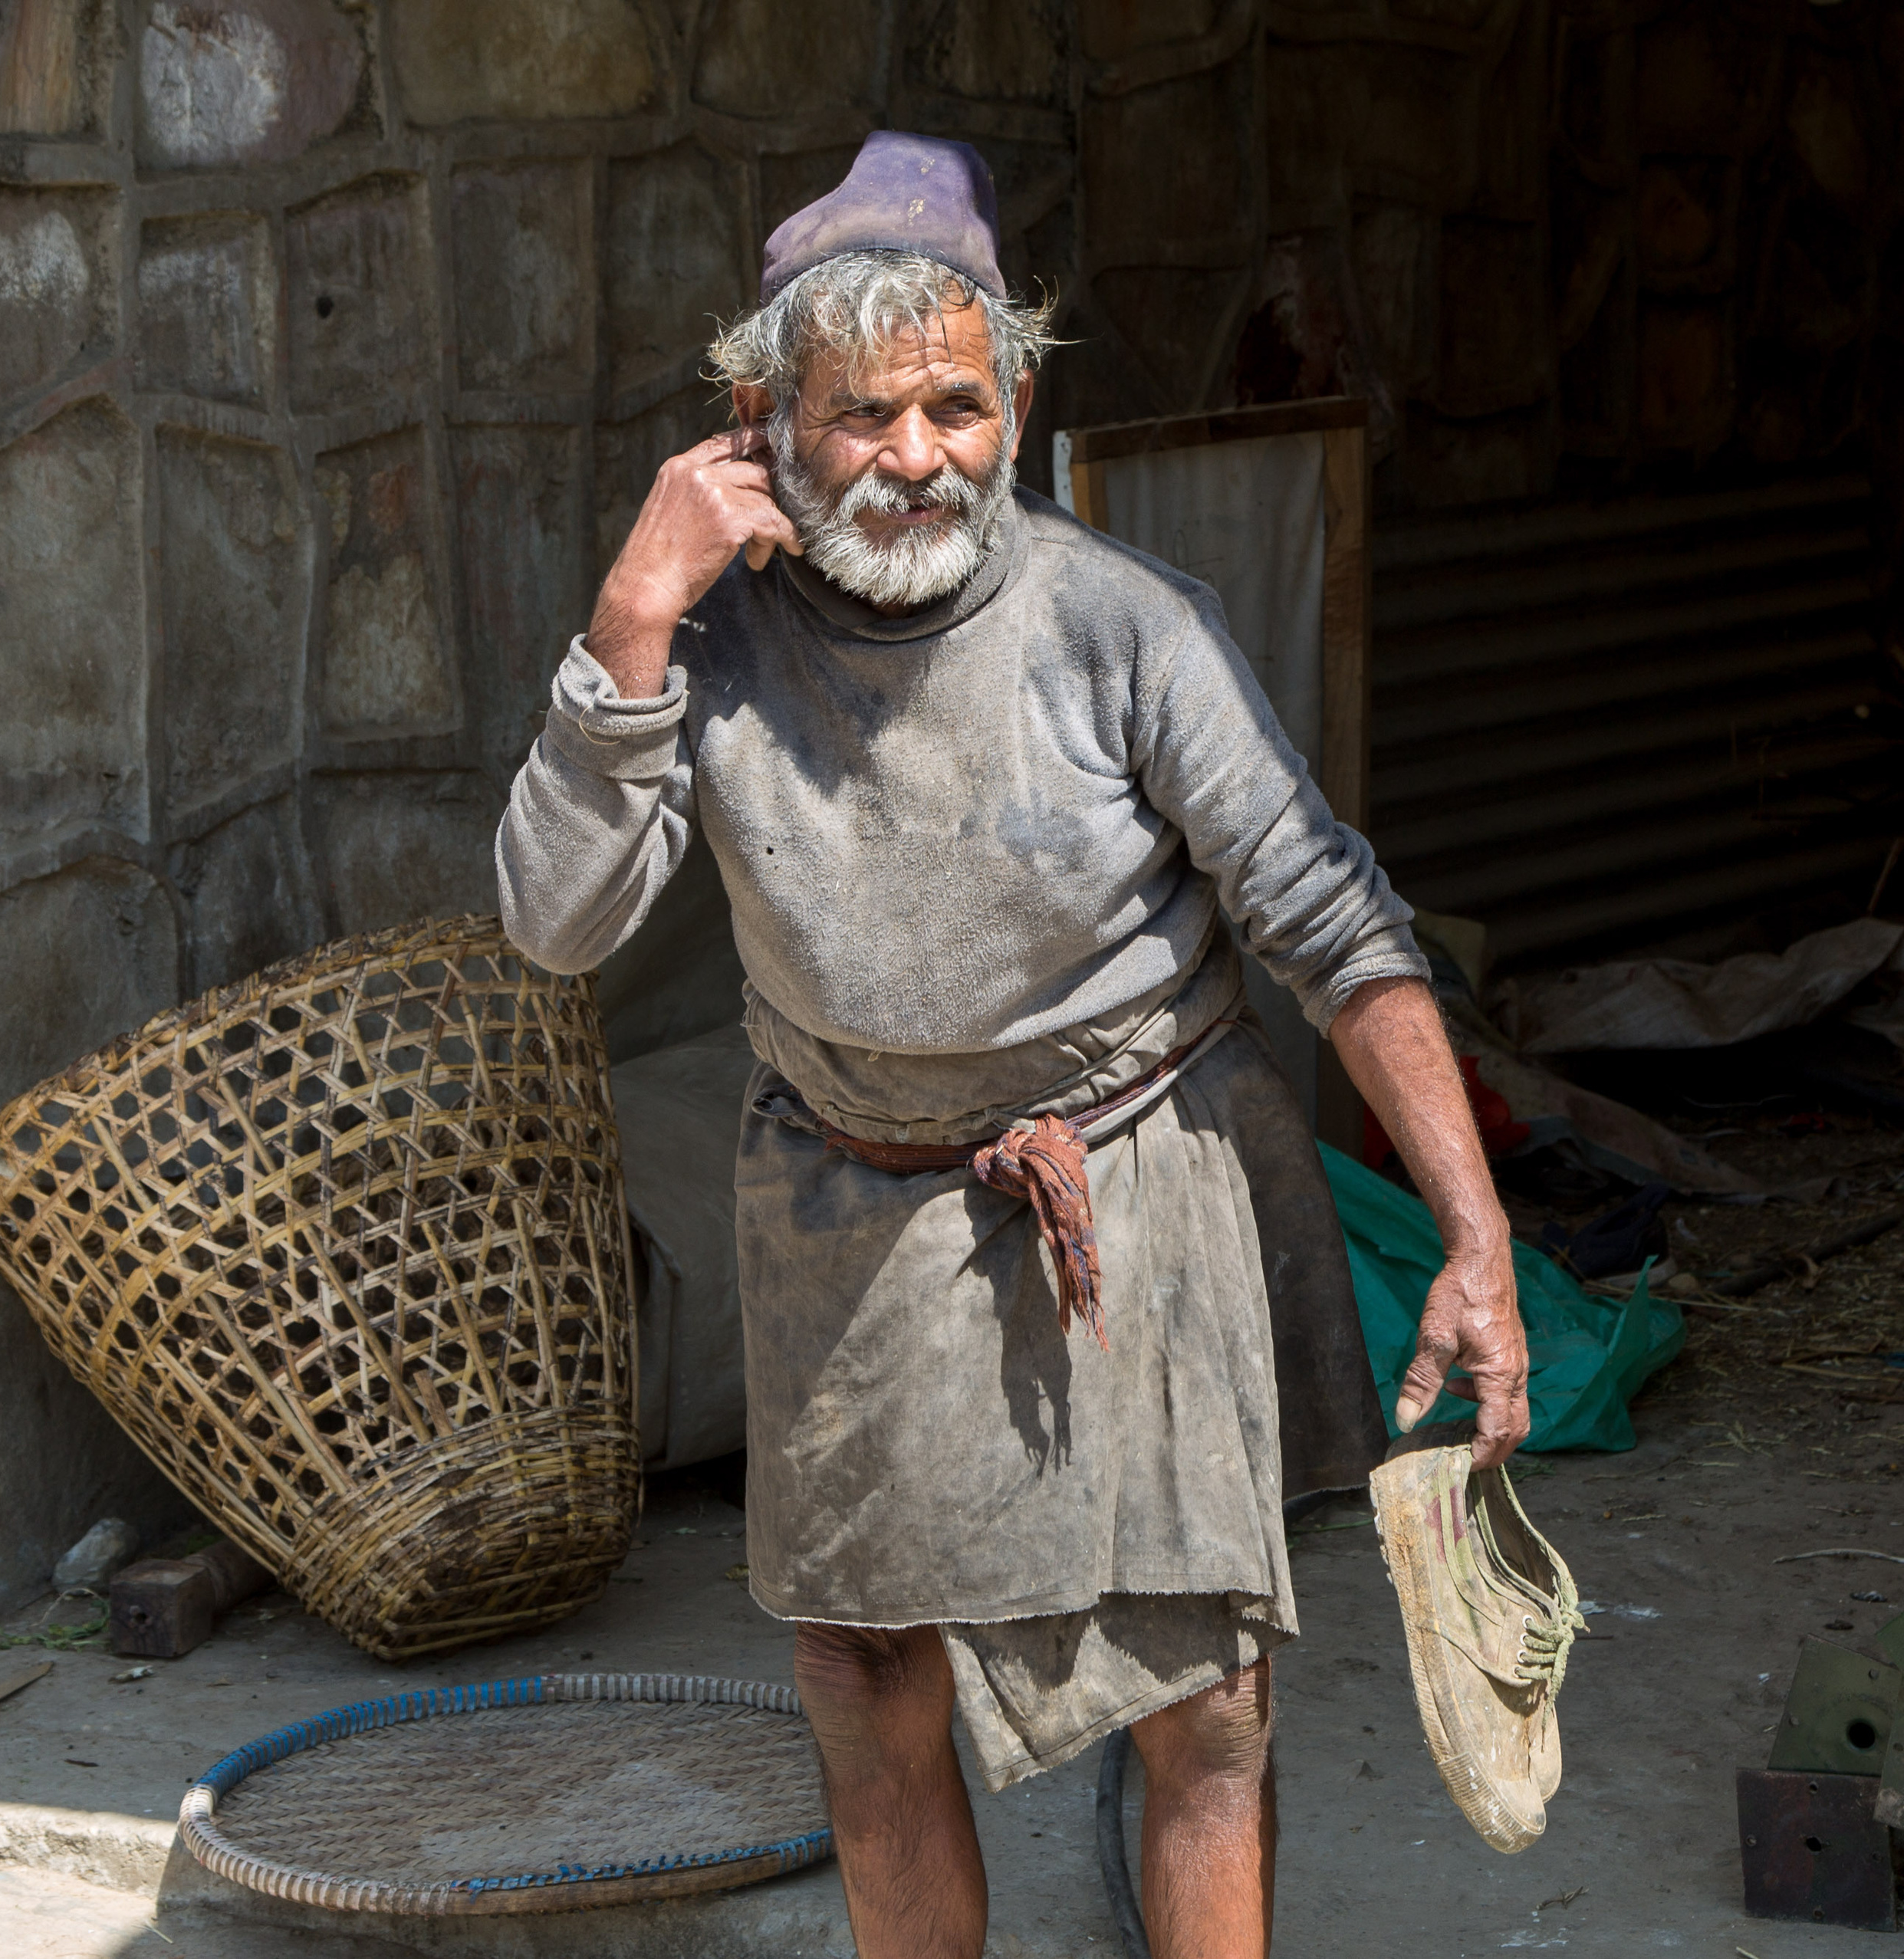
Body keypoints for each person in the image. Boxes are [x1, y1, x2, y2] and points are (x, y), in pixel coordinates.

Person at [497, 130, 1527, 1959]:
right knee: (861, 1679)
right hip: (846, 1207)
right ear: (757, 415)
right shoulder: (708, 650)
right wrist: (630, 621)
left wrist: (1473, 1236)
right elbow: (555, 927)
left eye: (958, 409)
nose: (914, 459)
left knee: (1201, 1697)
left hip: (1136, 1191)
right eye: (860, 416)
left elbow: (1328, 922)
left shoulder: (1119, 627)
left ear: (1022, 395)